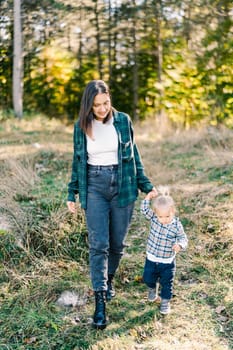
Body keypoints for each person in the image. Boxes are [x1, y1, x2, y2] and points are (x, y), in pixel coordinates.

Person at [67, 80, 156, 329]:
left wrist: (147, 185)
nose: (103, 108)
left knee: (117, 244)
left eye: (106, 103)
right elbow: (77, 161)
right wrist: (71, 192)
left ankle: (109, 279)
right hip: (94, 185)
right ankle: (100, 302)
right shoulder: (81, 126)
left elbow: (134, 156)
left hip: (123, 184)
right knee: (99, 245)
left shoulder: (123, 121)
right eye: (97, 105)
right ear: (89, 105)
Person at [140, 186, 188, 315]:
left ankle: (165, 302)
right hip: (151, 258)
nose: (164, 219)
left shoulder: (176, 225)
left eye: (167, 216)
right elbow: (144, 210)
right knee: (148, 278)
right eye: (161, 216)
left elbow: (183, 238)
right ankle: (152, 289)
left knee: (167, 283)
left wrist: (180, 245)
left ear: (173, 211)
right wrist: (148, 198)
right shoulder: (155, 219)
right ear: (156, 214)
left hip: (167, 261)